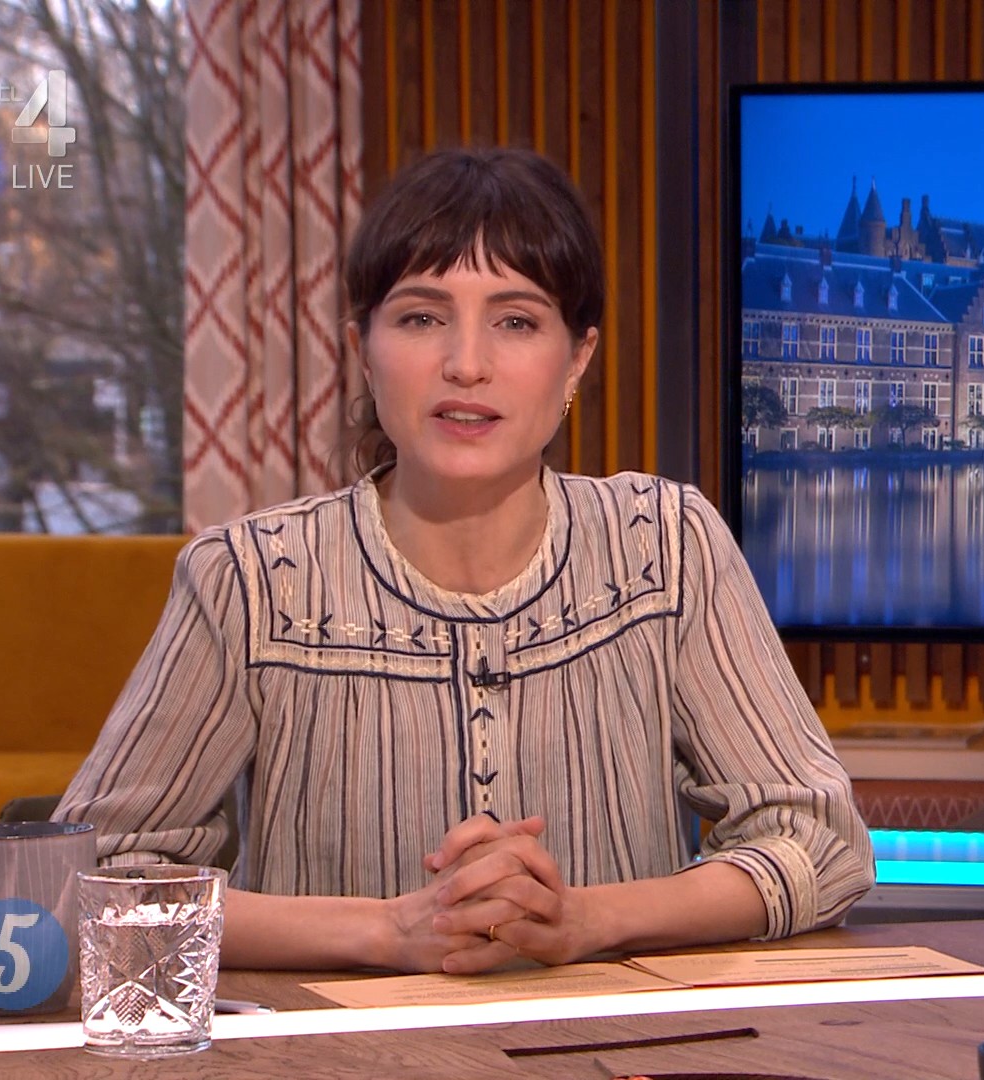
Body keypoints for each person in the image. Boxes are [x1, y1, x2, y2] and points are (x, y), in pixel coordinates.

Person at [54, 147, 874, 974]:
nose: (467, 364)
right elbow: (90, 888)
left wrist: (586, 919)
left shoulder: (667, 546)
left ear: (577, 358)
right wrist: (387, 932)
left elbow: (822, 843)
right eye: (421, 318)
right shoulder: (250, 579)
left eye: (516, 321)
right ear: (363, 349)